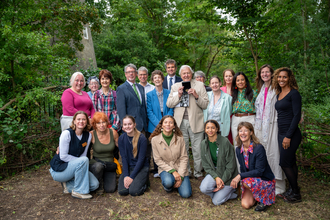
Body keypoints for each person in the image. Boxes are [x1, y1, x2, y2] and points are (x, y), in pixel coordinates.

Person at [166, 65, 209, 180]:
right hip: (180, 122)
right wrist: (178, 95)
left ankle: (198, 172)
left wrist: (196, 96)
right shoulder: (175, 86)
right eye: (184, 73)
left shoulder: (199, 85)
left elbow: (205, 104)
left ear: (192, 74)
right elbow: (169, 104)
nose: (186, 75)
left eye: (188, 73)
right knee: (183, 149)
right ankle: (187, 171)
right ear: (181, 75)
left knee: (198, 149)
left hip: (196, 121)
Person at [49, 111, 99, 199]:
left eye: (84, 119)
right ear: (74, 121)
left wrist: (80, 163)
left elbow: (83, 155)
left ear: (87, 121)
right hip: (59, 169)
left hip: (75, 166)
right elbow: (63, 156)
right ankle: (78, 191)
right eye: (78, 119)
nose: (81, 121)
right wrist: (79, 162)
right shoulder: (67, 133)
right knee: (84, 160)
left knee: (95, 185)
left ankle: (68, 185)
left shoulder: (88, 136)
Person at [254, 64, 286, 195]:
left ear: (272, 74)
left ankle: (279, 184)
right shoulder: (261, 89)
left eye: (267, 72)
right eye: (262, 72)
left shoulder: (277, 88)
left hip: (273, 125)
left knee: (274, 154)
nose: (265, 74)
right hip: (261, 126)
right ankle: (266, 181)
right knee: (263, 154)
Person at [230, 122, 275, 212]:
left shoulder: (259, 148)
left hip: (264, 179)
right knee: (245, 205)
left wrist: (240, 176)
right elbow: (243, 169)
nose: (243, 133)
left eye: (246, 130)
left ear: (251, 132)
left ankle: (264, 199)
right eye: (240, 131)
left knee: (246, 181)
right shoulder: (238, 149)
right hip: (251, 180)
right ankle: (256, 197)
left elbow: (260, 171)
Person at [273, 67, 302, 203]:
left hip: (291, 134)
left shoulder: (294, 94)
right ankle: (292, 189)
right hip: (281, 133)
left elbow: (297, 116)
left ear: (290, 78)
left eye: (284, 77)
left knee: (284, 163)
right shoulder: (279, 93)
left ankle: (296, 193)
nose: (281, 79)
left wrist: (288, 136)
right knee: (291, 162)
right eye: (279, 77)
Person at [149, 116, 192, 198]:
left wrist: (181, 176)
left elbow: (184, 158)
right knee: (168, 182)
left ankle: (177, 182)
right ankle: (169, 187)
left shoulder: (180, 139)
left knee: (186, 194)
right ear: (161, 125)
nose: (168, 124)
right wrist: (173, 171)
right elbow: (157, 160)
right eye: (165, 122)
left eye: (171, 122)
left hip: (180, 167)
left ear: (174, 126)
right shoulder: (154, 140)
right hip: (165, 168)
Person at [199, 120, 238, 205]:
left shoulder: (225, 142)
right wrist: (216, 177)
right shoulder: (203, 144)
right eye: (208, 128)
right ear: (205, 130)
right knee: (204, 188)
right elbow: (206, 165)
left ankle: (232, 192)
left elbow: (231, 165)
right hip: (214, 171)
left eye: (213, 128)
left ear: (217, 129)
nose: (210, 130)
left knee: (216, 202)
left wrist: (222, 181)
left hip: (227, 173)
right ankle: (220, 192)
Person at [147, 70, 174, 178]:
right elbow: (149, 111)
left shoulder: (169, 92)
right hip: (154, 124)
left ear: (162, 79)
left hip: (168, 121)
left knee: (167, 145)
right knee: (156, 147)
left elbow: (171, 107)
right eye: (155, 78)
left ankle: (169, 167)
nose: (157, 79)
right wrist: (159, 123)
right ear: (153, 80)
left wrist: (167, 121)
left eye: (159, 77)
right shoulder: (149, 95)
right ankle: (157, 169)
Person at [118, 116, 149, 196]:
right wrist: (126, 176)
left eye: (130, 124)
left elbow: (141, 160)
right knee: (122, 191)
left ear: (134, 125)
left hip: (141, 167)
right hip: (129, 167)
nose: (127, 126)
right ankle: (135, 181)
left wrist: (131, 177)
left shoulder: (142, 139)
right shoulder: (121, 138)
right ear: (122, 126)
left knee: (134, 191)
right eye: (125, 124)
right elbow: (124, 158)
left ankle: (145, 183)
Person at [89, 112, 119, 194]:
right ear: (95, 124)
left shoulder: (113, 133)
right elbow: (82, 148)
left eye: (103, 122)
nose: (101, 125)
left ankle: (105, 177)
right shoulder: (91, 134)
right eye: (98, 123)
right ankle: (99, 184)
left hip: (109, 164)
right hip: (96, 163)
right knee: (98, 167)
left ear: (107, 123)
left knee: (110, 189)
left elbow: (121, 147)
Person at [116, 64, 147, 132]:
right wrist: (124, 125)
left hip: (143, 125)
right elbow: (121, 110)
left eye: (133, 72)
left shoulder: (141, 87)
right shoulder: (121, 89)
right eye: (128, 72)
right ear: (125, 74)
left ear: (136, 73)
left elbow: (143, 106)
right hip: (130, 126)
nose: (131, 74)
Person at [231, 72, 257, 147]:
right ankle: (239, 159)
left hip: (249, 119)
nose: (240, 82)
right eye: (238, 80)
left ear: (246, 81)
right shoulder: (233, 94)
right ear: (235, 83)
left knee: (251, 143)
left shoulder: (254, 93)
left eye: (242, 79)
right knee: (237, 143)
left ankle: (251, 159)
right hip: (235, 120)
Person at [220, 69, 235, 144]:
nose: (228, 78)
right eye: (226, 76)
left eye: (230, 76)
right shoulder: (221, 90)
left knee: (235, 138)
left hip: (234, 117)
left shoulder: (236, 90)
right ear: (224, 78)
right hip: (223, 118)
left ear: (233, 77)